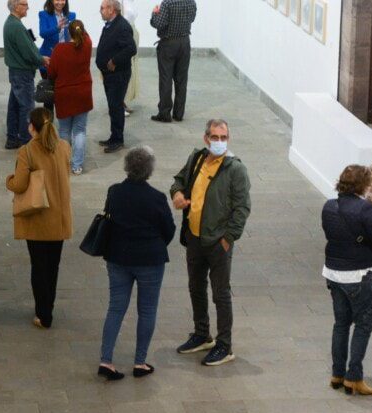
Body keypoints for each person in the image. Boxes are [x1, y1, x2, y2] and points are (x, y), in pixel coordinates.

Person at [170, 119, 251, 366]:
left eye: (223, 137)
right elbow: (179, 180)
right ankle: (202, 334)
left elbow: (242, 208)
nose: (219, 142)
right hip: (194, 237)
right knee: (195, 286)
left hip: (218, 242)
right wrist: (177, 194)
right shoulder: (196, 158)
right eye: (214, 137)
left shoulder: (235, 169)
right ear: (206, 138)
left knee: (221, 294)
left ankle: (224, 345)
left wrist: (228, 239)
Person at [97, 146, 176, 381]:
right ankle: (140, 362)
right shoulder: (157, 198)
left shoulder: (114, 192)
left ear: (127, 166)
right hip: (150, 260)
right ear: (149, 170)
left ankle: (106, 359)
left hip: (118, 257)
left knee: (115, 308)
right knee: (147, 310)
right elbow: (169, 230)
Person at [321, 164, 372, 396]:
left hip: (333, 272)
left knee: (340, 324)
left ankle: (337, 373)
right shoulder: (365, 209)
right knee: (363, 324)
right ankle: (354, 377)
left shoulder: (329, 207)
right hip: (358, 275)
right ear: (363, 185)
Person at [6, 108, 73, 329]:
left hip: (38, 218)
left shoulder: (27, 151)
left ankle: (42, 313)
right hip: (60, 218)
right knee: (53, 267)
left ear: (31, 126)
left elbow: (20, 184)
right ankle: (48, 311)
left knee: (39, 266)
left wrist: (9, 180)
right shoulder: (64, 147)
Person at [46, 19, 92, 175]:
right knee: (80, 131)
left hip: (64, 94)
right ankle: (77, 165)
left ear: (68, 32)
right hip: (83, 94)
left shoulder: (59, 49)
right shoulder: (87, 46)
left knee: (64, 131)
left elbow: (51, 73)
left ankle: (64, 162)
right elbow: (86, 36)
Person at [3, 0, 48, 149]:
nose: (27, 7)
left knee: (15, 106)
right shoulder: (16, 26)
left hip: (16, 72)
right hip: (22, 73)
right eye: (24, 4)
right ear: (16, 6)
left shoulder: (11, 23)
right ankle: (26, 139)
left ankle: (12, 137)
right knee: (27, 107)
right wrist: (42, 60)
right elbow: (28, 52)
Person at [95, 0, 136, 154]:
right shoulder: (111, 24)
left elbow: (131, 49)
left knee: (116, 106)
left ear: (111, 9)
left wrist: (114, 61)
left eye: (102, 8)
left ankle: (118, 139)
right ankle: (114, 136)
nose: (100, 11)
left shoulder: (122, 26)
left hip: (118, 74)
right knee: (113, 106)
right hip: (109, 74)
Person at [149, 0, 196, 123]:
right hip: (185, 42)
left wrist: (154, 13)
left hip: (168, 44)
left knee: (166, 78)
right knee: (181, 80)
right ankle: (179, 114)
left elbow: (159, 23)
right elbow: (192, 19)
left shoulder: (167, 3)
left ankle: (165, 113)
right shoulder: (191, 2)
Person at [38, 0, 76, 113]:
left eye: (62, 0)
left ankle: (64, 119)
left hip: (65, 59)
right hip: (48, 58)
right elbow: (43, 33)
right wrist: (57, 28)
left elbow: (73, 35)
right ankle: (48, 124)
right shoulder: (44, 14)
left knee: (64, 91)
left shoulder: (71, 15)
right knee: (49, 93)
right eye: (57, 0)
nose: (60, 2)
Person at [121, 0, 139, 116]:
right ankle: (119, 103)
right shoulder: (119, 2)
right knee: (122, 69)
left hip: (132, 33)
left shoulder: (131, 1)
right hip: (124, 33)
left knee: (130, 70)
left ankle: (122, 101)